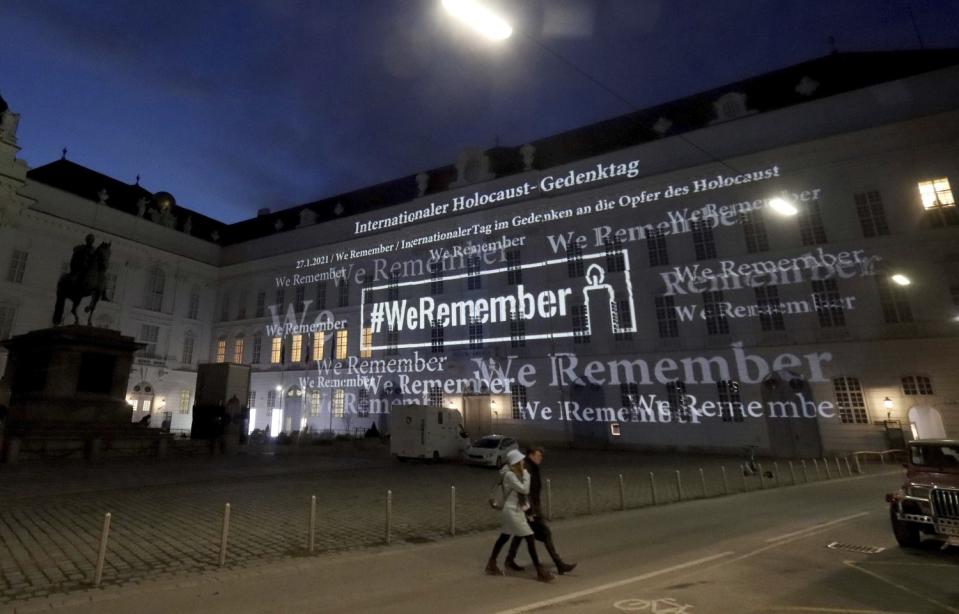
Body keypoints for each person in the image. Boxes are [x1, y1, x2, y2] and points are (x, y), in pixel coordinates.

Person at [485, 449, 554, 583]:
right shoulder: (511, 475)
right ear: (516, 462)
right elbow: (524, 489)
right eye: (521, 460)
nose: (523, 462)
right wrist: (527, 475)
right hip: (512, 512)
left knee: (504, 537)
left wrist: (528, 511)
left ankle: (491, 564)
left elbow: (521, 497)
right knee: (529, 537)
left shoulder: (515, 475)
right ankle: (540, 571)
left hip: (514, 511)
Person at [505, 447, 577, 575]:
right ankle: (558, 564)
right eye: (538, 455)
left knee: (521, 534)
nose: (541, 458)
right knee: (545, 533)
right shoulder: (527, 468)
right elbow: (524, 492)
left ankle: (509, 560)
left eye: (541, 456)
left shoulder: (532, 467)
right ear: (531, 455)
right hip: (530, 509)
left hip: (531, 508)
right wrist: (529, 511)